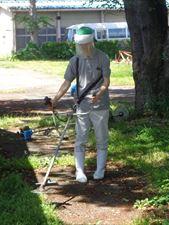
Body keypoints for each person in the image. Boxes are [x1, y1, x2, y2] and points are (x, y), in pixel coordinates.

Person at [50, 26, 111, 183]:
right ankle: (80, 171)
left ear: (91, 43)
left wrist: (100, 93)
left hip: (101, 106)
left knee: (101, 139)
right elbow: (66, 82)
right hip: (82, 106)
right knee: (81, 138)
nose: (81, 48)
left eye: (84, 45)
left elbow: (106, 81)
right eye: (79, 45)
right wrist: (55, 100)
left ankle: (100, 170)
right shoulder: (74, 60)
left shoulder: (103, 57)